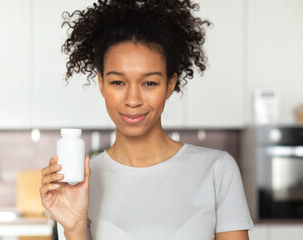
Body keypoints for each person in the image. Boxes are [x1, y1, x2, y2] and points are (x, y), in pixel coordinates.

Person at [40, 0, 253, 239]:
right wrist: (74, 227)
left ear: (170, 84)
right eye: (118, 82)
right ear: (101, 83)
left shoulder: (217, 170)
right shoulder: (83, 183)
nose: (133, 100)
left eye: (149, 83)